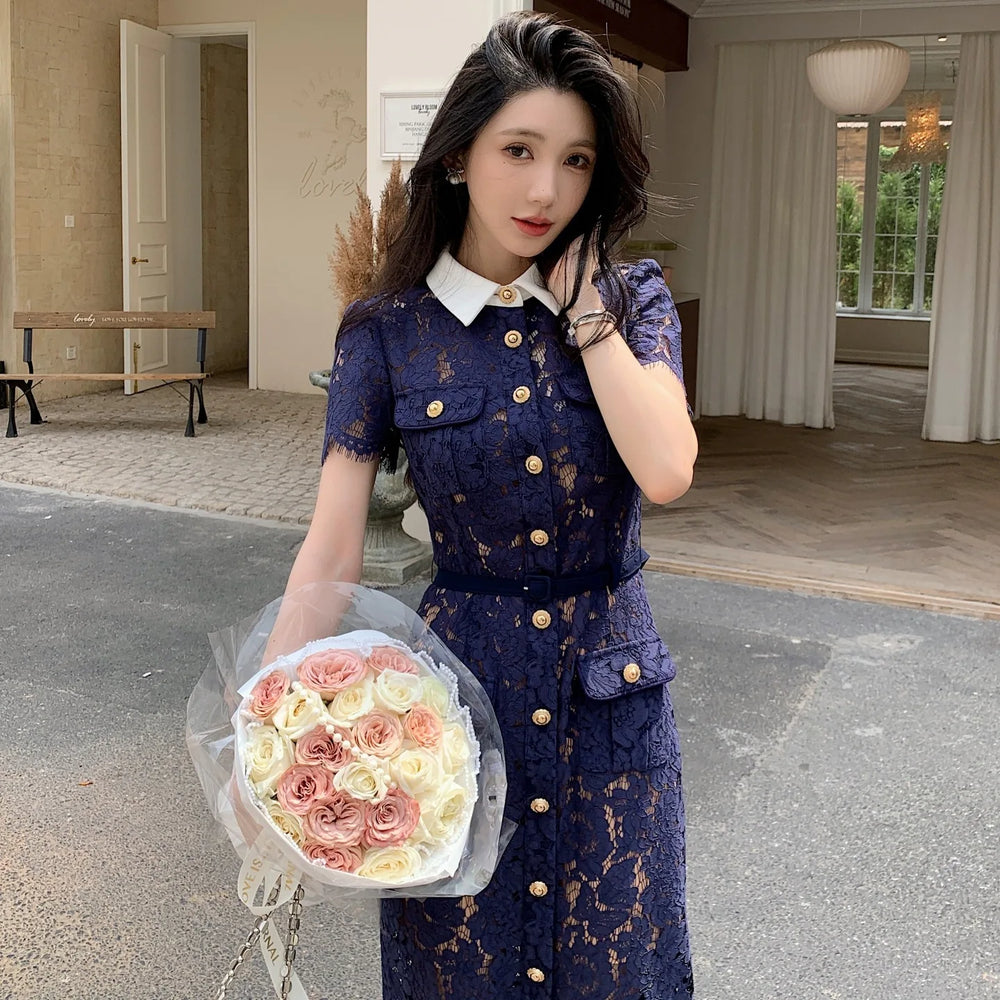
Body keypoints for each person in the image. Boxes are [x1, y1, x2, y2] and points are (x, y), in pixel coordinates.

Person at [267, 10, 698, 998]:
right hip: (445, 720)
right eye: (519, 150)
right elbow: (329, 554)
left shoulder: (634, 302)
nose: (547, 189)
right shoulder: (382, 332)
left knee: (620, 969)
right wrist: (275, 728)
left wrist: (587, 320)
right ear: (459, 153)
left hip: (613, 704)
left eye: (576, 160)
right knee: (456, 972)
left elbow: (668, 468)